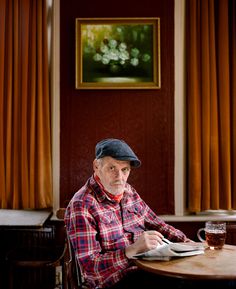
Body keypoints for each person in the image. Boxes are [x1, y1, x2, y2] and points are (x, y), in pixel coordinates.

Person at [64, 138, 193, 289]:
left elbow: (158, 224)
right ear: (96, 166)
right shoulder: (82, 205)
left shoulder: (129, 192)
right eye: (112, 168)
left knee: (206, 278)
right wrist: (131, 250)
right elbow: (90, 268)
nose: (119, 177)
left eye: (124, 170)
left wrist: (188, 243)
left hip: (146, 268)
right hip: (113, 281)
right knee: (185, 282)